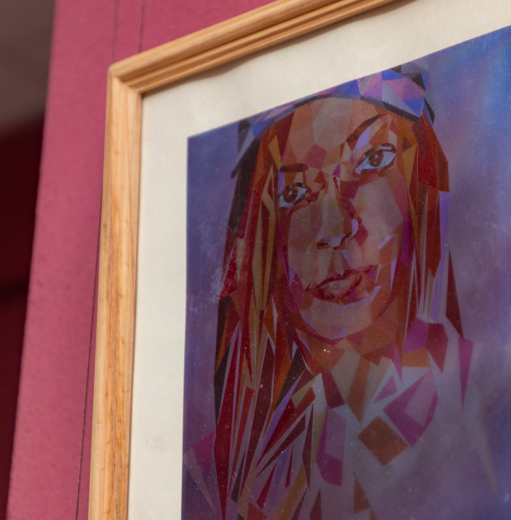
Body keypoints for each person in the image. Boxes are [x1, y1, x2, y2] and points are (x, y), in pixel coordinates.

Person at [193, 64, 472, 520]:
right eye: (295, 194)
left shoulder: (501, 404)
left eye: (372, 161)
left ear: (421, 180)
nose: (335, 226)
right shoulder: (217, 476)